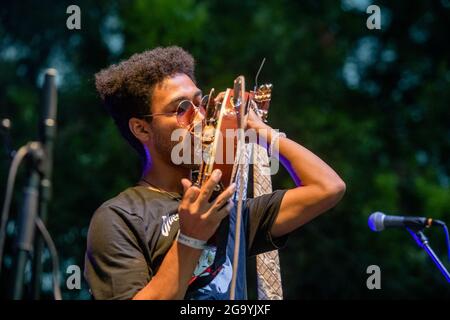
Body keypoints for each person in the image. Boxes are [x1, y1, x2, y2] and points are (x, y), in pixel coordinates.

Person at [84, 46, 346, 300]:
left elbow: (327, 188)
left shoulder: (225, 208)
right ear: (141, 129)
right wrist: (190, 238)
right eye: (182, 109)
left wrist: (260, 132)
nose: (200, 117)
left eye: (202, 103)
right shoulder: (120, 217)